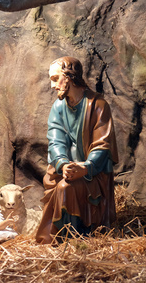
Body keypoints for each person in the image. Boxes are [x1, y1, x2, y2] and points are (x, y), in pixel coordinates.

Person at [35, 56, 118, 244]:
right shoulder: (58, 107)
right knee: (60, 183)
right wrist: (63, 164)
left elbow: (102, 144)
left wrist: (85, 168)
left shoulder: (98, 105)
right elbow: (56, 141)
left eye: (55, 78)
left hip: (93, 174)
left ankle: (77, 239)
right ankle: (65, 240)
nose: (52, 85)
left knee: (65, 189)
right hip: (66, 170)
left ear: (69, 77)